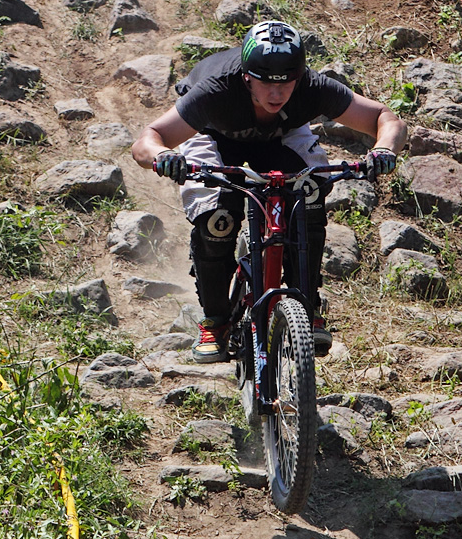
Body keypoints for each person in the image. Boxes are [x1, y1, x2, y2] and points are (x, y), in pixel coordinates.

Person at [132, 20, 407, 363]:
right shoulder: (216, 90)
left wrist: (383, 149)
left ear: (299, 75)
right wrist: (163, 157)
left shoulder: (312, 87)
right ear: (247, 75)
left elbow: (386, 118)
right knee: (217, 220)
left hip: (281, 137)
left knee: (308, 194)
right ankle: (215, 321)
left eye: (287, 82)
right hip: (215, 137)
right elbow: (147, 139)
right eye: (265, 82)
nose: (276, 94)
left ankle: (305, 305)